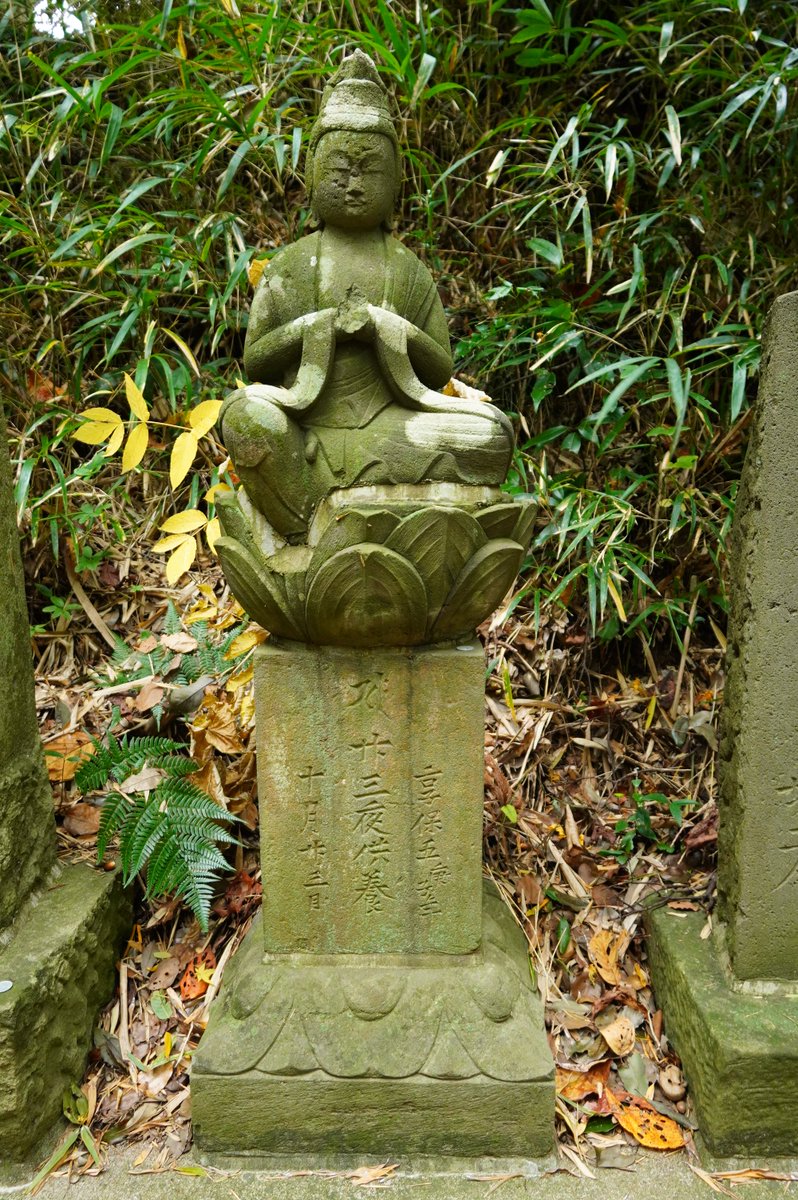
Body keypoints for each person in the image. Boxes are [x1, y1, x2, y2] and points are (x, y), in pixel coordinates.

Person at [219, 49, 514, 543]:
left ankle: (324, 513)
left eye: (370, 171)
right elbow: (257, 362)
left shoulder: (408, 269)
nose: (354, 185)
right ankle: (310, 528)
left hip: (393, 429)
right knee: (245, 416)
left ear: (395, 181)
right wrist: (319, 326)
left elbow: (439, 368)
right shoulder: (289, 266)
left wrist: (385, 325)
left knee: (491, 435)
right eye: (339, 170)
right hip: (310, 430)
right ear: (312, 176)